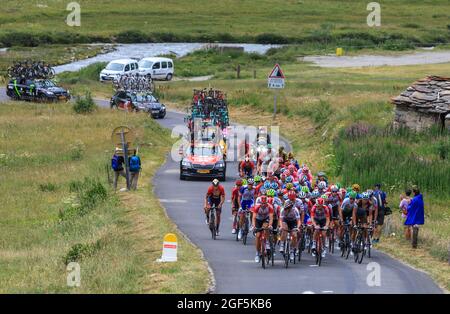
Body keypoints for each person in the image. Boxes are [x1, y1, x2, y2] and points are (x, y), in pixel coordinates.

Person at [251, 195, 274, 263]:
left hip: (265, 219)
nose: (263, 205)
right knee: (258, 236)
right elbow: (254, 218)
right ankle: (257, 253)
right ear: (260, 203)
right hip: (258, 220)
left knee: (266, 227)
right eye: (262, 203)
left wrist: (270, 225)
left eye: (265, 203)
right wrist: (254, 226)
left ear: (267, 203)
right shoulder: (257, 207)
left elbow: (271, 217)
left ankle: (267, 242)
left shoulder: (270, 207)